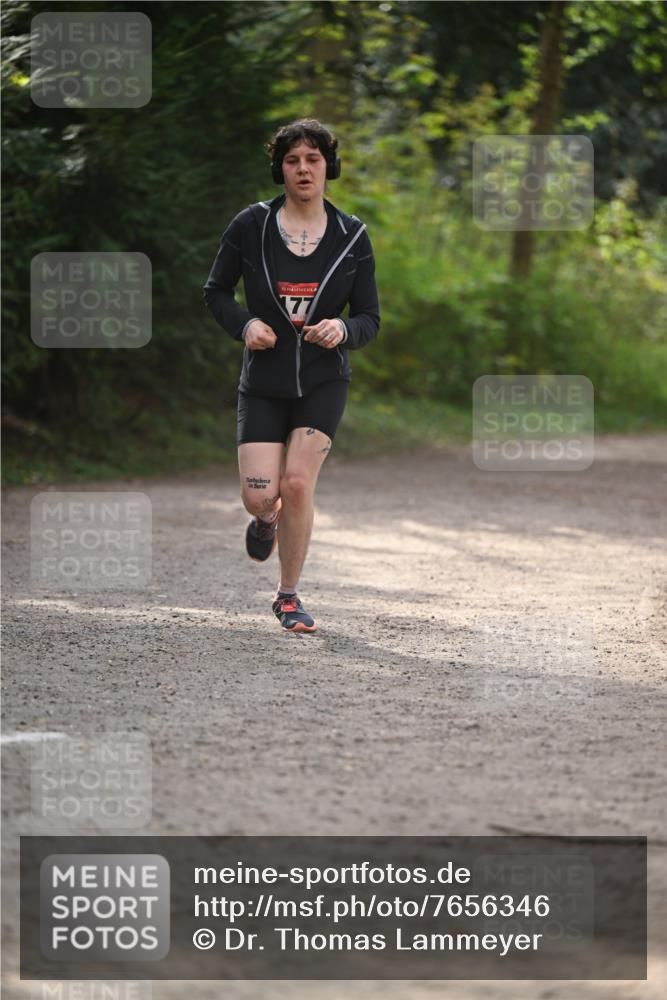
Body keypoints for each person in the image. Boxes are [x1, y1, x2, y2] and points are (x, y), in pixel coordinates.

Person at [203, 118, 380, 633]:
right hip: (264, 380)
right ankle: (265, 518)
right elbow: (215, 292)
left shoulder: (353, 236)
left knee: (298, 484)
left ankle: (288, 597)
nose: (303, 169)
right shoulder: (250, 226)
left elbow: (370, 317)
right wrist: (246, 324)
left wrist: (343, 331)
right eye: (292, 160)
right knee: (263, 494)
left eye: (314, 159)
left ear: (330, 167)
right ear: (280, 170)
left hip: (324, 380)